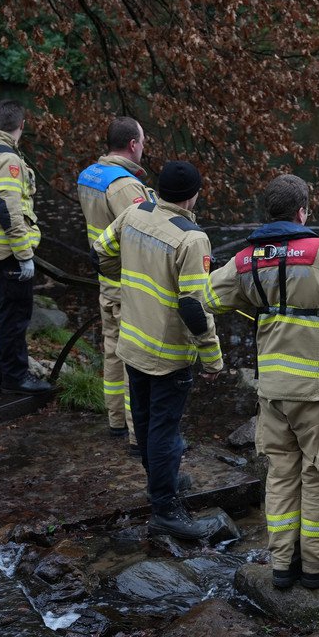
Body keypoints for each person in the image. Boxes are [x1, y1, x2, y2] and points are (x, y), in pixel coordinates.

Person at [209, 173, 319, 590]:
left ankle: (282, 563)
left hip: (272, 389)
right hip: (318, 388)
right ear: (303, 211)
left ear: (269, 211)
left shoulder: (246, 259)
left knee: (281, 473)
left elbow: (210, 296)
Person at [92, 161, 223, 540]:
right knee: (164, 428)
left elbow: (100, 251)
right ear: (193, 195)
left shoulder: (134, 212)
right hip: (167, 353)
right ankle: (165, 508)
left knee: (147, 420)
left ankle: (160, 482)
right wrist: (211, 356)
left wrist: (122, 284)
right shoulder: (191, 237)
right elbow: (194, 306)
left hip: (132, 340)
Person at [77, 116, 154, 452]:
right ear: (133, 145)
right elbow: (144, 233)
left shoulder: (90, 174)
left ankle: (115, 422)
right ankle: (139, 436)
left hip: (106, 279)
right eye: (143, 141)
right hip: (128, 283)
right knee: (134, 358)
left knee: (112, 351)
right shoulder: (125, 186)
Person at [0, 99, 52, 395]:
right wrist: (25, 255)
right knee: (16, 318)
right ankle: (16, 378)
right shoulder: (8, 160)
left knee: (8, 314)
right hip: (9, 250)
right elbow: (8, 210)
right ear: (22, 126)